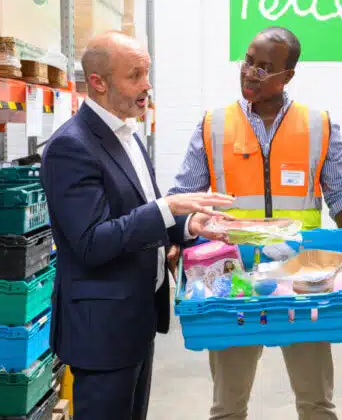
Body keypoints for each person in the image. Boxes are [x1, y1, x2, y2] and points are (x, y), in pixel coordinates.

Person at [168, 26, 342, 420]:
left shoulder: (319, 124)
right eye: (248, 62)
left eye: (264, 68)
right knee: (228, 405)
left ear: (287, 75)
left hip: (303, 277)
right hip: (233, 276)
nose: (250, 73)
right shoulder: (213, 124)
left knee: (316, 403)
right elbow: (183, 196)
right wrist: (182, 234)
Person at [41, 32, 234, 420]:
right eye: (135, 75)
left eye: (147, 73)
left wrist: (190, 224)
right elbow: (92, 241)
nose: (147, 85)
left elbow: (138, 214)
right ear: (98, 82)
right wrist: (167, 208)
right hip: (102, 330)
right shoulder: (71, 147)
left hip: (135, 316)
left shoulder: (127, 135)